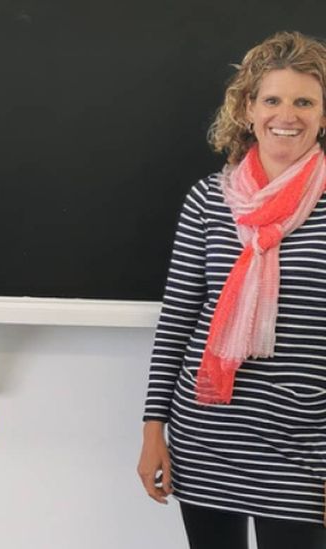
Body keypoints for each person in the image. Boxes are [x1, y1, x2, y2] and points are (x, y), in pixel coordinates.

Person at [138, 31, 326, 548]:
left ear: (323, 115)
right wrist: (154, 429)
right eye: (272, 99)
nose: (286, 114)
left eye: (304, 101)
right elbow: (177, 320)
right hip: (208, 436)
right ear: (248, 107)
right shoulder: (208, 200)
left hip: (306, 450)